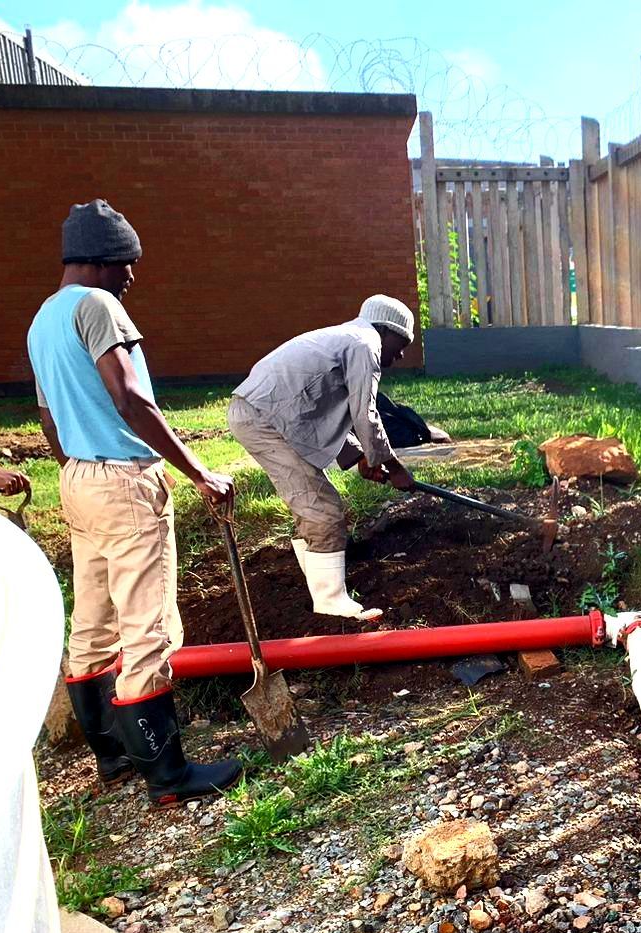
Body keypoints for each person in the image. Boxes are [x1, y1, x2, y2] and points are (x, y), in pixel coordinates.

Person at [28, 199, 242, 806]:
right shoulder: (98, 307)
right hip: (124, 482)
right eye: (127, 264)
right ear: (100, 260)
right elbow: (131, 399)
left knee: (92, 622)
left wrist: (71, 465)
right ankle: (168, 776)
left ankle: (114, 757)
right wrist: (199, 470)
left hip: (79, 480)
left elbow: (46, 413)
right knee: (146, 625)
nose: (131, 279)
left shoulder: (43, 318)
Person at [228, 297, 418, 621]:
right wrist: (395, 467)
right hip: (264, 418)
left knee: (315, 503)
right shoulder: (364, 344)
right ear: (385, 330)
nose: (400, 356)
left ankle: (319, 588)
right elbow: (365, 414)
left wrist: (360, 457)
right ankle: (331, 606)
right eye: (401, 345)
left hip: (267, 414)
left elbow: (315, 411)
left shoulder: (347, 339)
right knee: (323, 509)